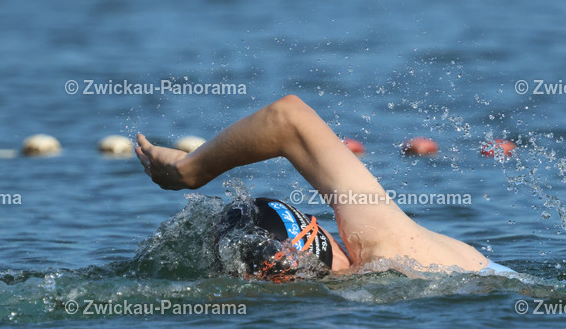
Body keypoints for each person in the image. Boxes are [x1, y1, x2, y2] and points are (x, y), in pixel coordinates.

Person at [135, 95, 515, 279]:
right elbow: (286, 118)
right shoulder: (380, 241)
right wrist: (190, 171)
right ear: (313, 225)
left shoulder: (374, 273)